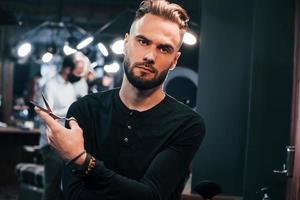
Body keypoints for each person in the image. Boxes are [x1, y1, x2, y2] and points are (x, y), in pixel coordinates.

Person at [35, 1, 205, 200]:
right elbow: (74, 195)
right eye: (143, 41)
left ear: (174, 60)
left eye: (164, 49)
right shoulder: (85, 110)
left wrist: (82, 160)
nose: (150, 56)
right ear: (126, 43)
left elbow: (150, 196)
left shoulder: (186, 124)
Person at [38, 52, 89, 200]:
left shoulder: (70, 87)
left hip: (66, 143)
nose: (79, 75)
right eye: (77, 71)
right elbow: (46, 114)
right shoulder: (51, 85)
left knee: (65, 187)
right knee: (52, 187)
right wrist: (71, 109)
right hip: (51, 143)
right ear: (67, 69)